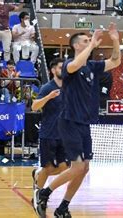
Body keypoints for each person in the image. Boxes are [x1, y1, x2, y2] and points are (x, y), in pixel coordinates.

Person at [34, 22, 121, 217]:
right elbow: (74, 65)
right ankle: (44, 193)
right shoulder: (67, 65)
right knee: (78, 166)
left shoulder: (92, 66)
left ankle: (63, 206)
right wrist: (92, 46)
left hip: (84, 123)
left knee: (84, 168)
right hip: (69, 121)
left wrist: (115, 40)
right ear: (76, 45)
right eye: (85, 40)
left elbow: (115, 61)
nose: (90, 42)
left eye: (90, 40)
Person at [31, 58, 69, 203]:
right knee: (47, 168)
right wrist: (49, 97)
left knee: (65, 168)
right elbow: (34, 106)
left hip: (64, 134)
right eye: (60, 67)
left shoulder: (68, 87)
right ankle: (38, 196)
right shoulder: (48, 87)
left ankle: (37, 174)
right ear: (53, 70)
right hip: (48, 133)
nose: (63, 70)